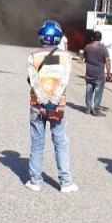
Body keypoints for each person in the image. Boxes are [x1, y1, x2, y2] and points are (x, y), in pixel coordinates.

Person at [26, 20, 78, 194]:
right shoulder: (66, 57)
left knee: (37, 144)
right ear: (58, 38)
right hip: (57, 108)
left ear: (41, 36)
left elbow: (33, 82)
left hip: (36, 106)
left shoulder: (33, 57)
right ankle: (65, 182)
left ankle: (35, 182)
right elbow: (64, 81)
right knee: (61, 143)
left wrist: (42, 101)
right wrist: (53, 102)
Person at [81, 31, 111, 116]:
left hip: (89, 73)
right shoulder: (103, 48)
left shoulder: (87, 47)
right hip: (99, 74)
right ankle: (96, 110)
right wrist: (108, 74)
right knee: (98, 91)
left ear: (92, 38)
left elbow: (84, 57)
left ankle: (88, 108)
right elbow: (107, 62)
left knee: (89, 90)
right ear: (100, 38)